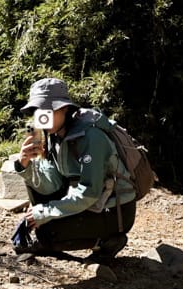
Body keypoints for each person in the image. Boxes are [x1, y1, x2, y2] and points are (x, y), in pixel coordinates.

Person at [13, 77, 137, 264]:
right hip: (91, 202)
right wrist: (25, 165)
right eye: (38, 110)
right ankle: (61, 235)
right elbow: (52, 185)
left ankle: (109, 240)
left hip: (114, 209)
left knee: (48, 231)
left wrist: (44, 213)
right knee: (39, 221)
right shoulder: (55, 135)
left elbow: (89, 192)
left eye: (48, 109)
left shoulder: (91, 136)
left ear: (64, 108)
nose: (42, 115)